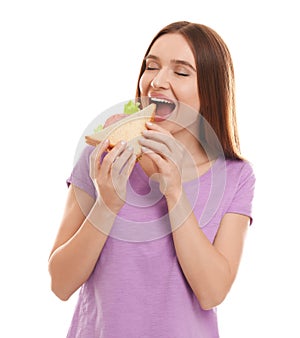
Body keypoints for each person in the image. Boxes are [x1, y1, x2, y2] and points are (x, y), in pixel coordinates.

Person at [48, 21, 256, 338]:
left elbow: (212, 293)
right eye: (151, 67)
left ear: (211, 89)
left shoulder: (235, 175)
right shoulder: (100, 157)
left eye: (181, 72)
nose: (157, 82)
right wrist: (107, 205)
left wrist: (174, 193)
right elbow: (60, 284)